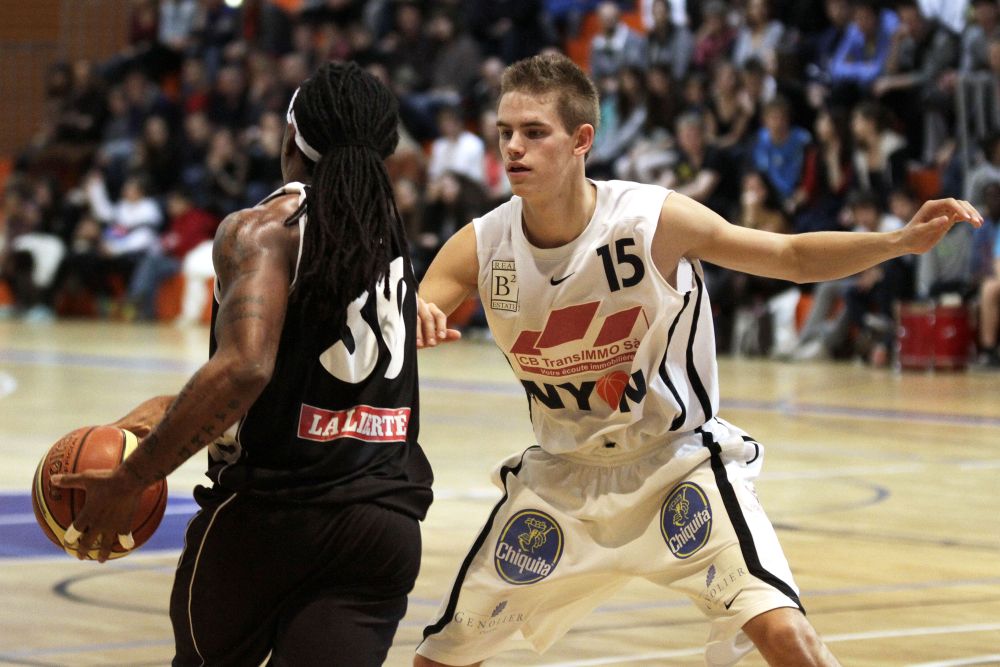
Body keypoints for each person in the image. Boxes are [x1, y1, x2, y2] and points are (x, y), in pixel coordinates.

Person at [412, 53, 981, 667]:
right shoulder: (481, 244)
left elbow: (787, 255)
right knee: (439, 658)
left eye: (533, 132)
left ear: (581, 141)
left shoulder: (650, 219)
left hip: (676, 468)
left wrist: (897, 242)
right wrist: (412, 316)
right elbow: (406, 314)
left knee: (786, 636)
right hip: (561, 483)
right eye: (504, 133)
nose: (513, 148)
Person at [51, 61, 433, 666]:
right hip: (382, 524)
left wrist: (134, 476)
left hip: (271, 521)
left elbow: (246, 368)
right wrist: (167, 412)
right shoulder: (384, 234)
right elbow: (293, 381)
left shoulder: (261, 228)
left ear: (290, 137)